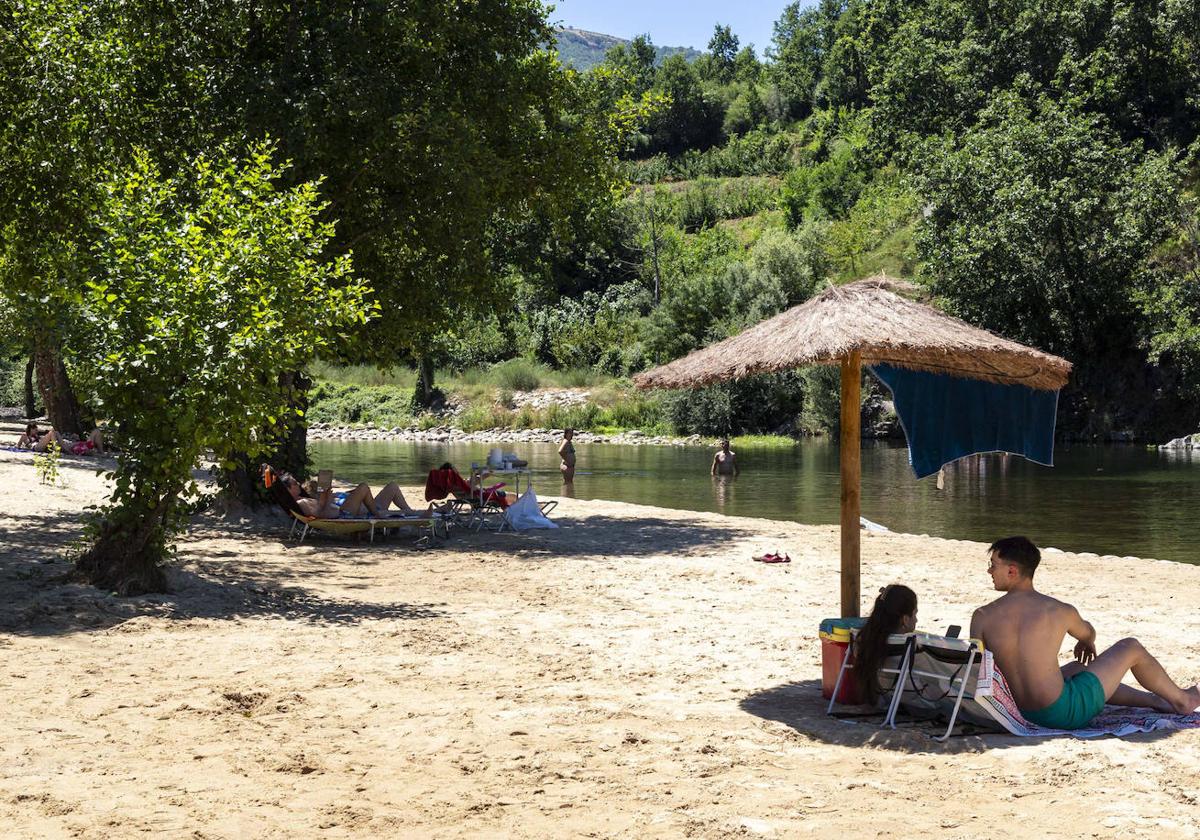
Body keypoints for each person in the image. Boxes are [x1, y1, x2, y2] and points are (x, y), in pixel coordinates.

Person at [971, 536, 1200, 730]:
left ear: (1012, 571)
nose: (989, 570)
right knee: (1131, 647)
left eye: (993, 564)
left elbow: (976, 668)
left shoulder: (982, 616)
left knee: (1077, 669)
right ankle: (1183, 701)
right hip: (1061, 714)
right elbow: (1088, 632)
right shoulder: (1059, 610)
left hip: (1012, 710)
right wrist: (1088, 641)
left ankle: (1155, 701)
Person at [853, 584, 918, 705]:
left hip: (881, 699)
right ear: (905, 619)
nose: (916, 620)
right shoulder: (912, 648)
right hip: (910, 701)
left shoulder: (864, 640)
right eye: (915, 614)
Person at [282, 473, 423, 519]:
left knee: (392, 486)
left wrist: (327, 495)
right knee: (363, 487)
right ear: (288, 490)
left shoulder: (304, 499)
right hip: (343, 514)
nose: (298, 485)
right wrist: (325, 498)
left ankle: (413, 513)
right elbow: (319, 514)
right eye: (295, 484)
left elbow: (322, 506)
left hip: (348, 507)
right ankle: (378, 514)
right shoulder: (301, 504)